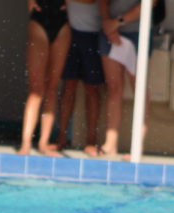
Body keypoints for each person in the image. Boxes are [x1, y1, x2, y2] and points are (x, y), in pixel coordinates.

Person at [97, 0, 153, 158]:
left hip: (137, 32)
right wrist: (108, 25)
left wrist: (117, 22)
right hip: (111, 32)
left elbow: (149, 4)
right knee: (114, 88)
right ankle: (110, 143)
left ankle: (137, 145)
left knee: (139, 88)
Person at [18, 0, 71, 156]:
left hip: (62, 22)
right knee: (36, 90)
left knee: (52, 87)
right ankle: (26, 143)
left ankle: (43, 142)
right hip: (40, 19)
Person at [51, 0, 104, 156]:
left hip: (94, 34)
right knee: (69, 86)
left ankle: (91, 140)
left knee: (92, 88)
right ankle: (61, 137)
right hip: (71, 32)